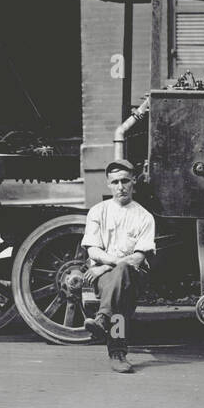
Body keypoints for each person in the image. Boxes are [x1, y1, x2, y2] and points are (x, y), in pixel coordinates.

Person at [81, 159, 156, 373]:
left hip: (133, 275)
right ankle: (117, 354)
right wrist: (111, 267)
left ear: (133, 182)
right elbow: (93, 250)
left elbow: (138, 258)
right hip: (104, 279)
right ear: (108, 184)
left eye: (125, 181)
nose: (120, 187)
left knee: (123, 274)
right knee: (120, 292)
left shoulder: (144, 217)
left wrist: (106, 266)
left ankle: (103, 319)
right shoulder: (98, 211)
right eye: (115, 182)